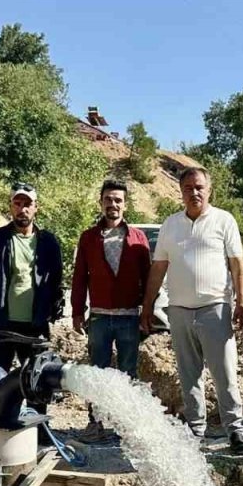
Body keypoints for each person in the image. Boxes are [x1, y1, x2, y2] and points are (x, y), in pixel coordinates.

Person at [142, 167, 243, 455]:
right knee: (189, 375)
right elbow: (158, 269)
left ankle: (235, 432)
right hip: (179, 310)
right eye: (188, 187)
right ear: (180, 192)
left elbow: (237, 265)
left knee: (224, 373)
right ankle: (195, 430)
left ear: (209, 190)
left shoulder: (223, 221)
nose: (194, 192)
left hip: (214, 308)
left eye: (199, 187)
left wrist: (242, 301)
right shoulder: (170, 225)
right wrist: (147, 306)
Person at [70, 179, 151, 433]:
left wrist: (146, 312)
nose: (112, 204)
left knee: (128, 372)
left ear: (125, 205)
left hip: (129, 317)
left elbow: (148, 278)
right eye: (108, 199)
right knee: (98, 372)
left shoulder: (137, 238)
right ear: (101, 202)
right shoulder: (88, 238)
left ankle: (127, 421)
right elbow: (80, 276)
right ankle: (97, 421)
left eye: (118, 200)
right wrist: (76, 310)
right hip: (99, 318)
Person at [0, 183, 63, 378]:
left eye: (28, 204)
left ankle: (37, 411)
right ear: (10, 206)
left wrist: (50, 310)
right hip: (2, 324)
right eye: (17, 203)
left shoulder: (48, 242)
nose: (22, 209)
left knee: (37, 383)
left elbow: (56, 279)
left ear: (36, 207)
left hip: (36, 325)